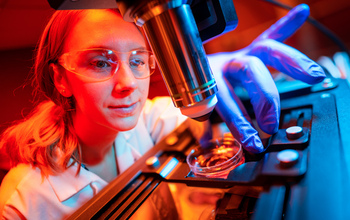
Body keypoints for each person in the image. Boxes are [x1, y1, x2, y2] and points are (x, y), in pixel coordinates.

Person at [0, 4, 325, 219]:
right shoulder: (24, 199)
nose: (128, 83)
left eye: (138, 60)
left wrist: (212, 75)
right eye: (100, 62)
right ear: (60, 78)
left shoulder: (146, 123)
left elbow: (203, 113)